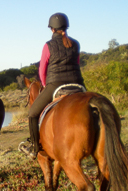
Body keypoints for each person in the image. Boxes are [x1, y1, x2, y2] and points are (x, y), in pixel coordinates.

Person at [27, 13, 85, 159]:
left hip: (56, 84)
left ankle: (35, 147)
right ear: (66, 27)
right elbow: (77, 64)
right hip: (78, 83)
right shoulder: (75, 44)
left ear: (52, 29)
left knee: (32, 114)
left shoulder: (48, 45)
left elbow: (42, 69)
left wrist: (46, 85)